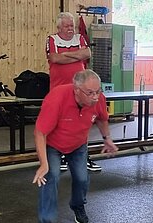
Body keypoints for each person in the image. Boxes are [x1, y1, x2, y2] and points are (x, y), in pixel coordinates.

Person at [32, 70, 118, 223]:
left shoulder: (98, 99)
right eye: (90, 93)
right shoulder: (57, 98)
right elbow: (40, 132)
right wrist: (43, 164)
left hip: (78, 143)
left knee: (82, 178)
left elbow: (102, 118)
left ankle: (78, 206)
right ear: (77, 90)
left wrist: (107, 138)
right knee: (51, 176)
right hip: (53, 144)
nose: (95, 97)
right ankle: (46, 222)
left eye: (98, 91)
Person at [46, 12, 101, 172]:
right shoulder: (52, 39)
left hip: (80, 91)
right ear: (59, 27)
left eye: (72, 25)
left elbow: (87, 53)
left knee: (82, 124)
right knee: (61, 125)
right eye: (67, 26)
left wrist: (66, 54)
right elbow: (55, 58)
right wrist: (77, 56)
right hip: (59, 91)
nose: (70, 28)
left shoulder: (80, 38)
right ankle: (62, 156)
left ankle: (83, 157)